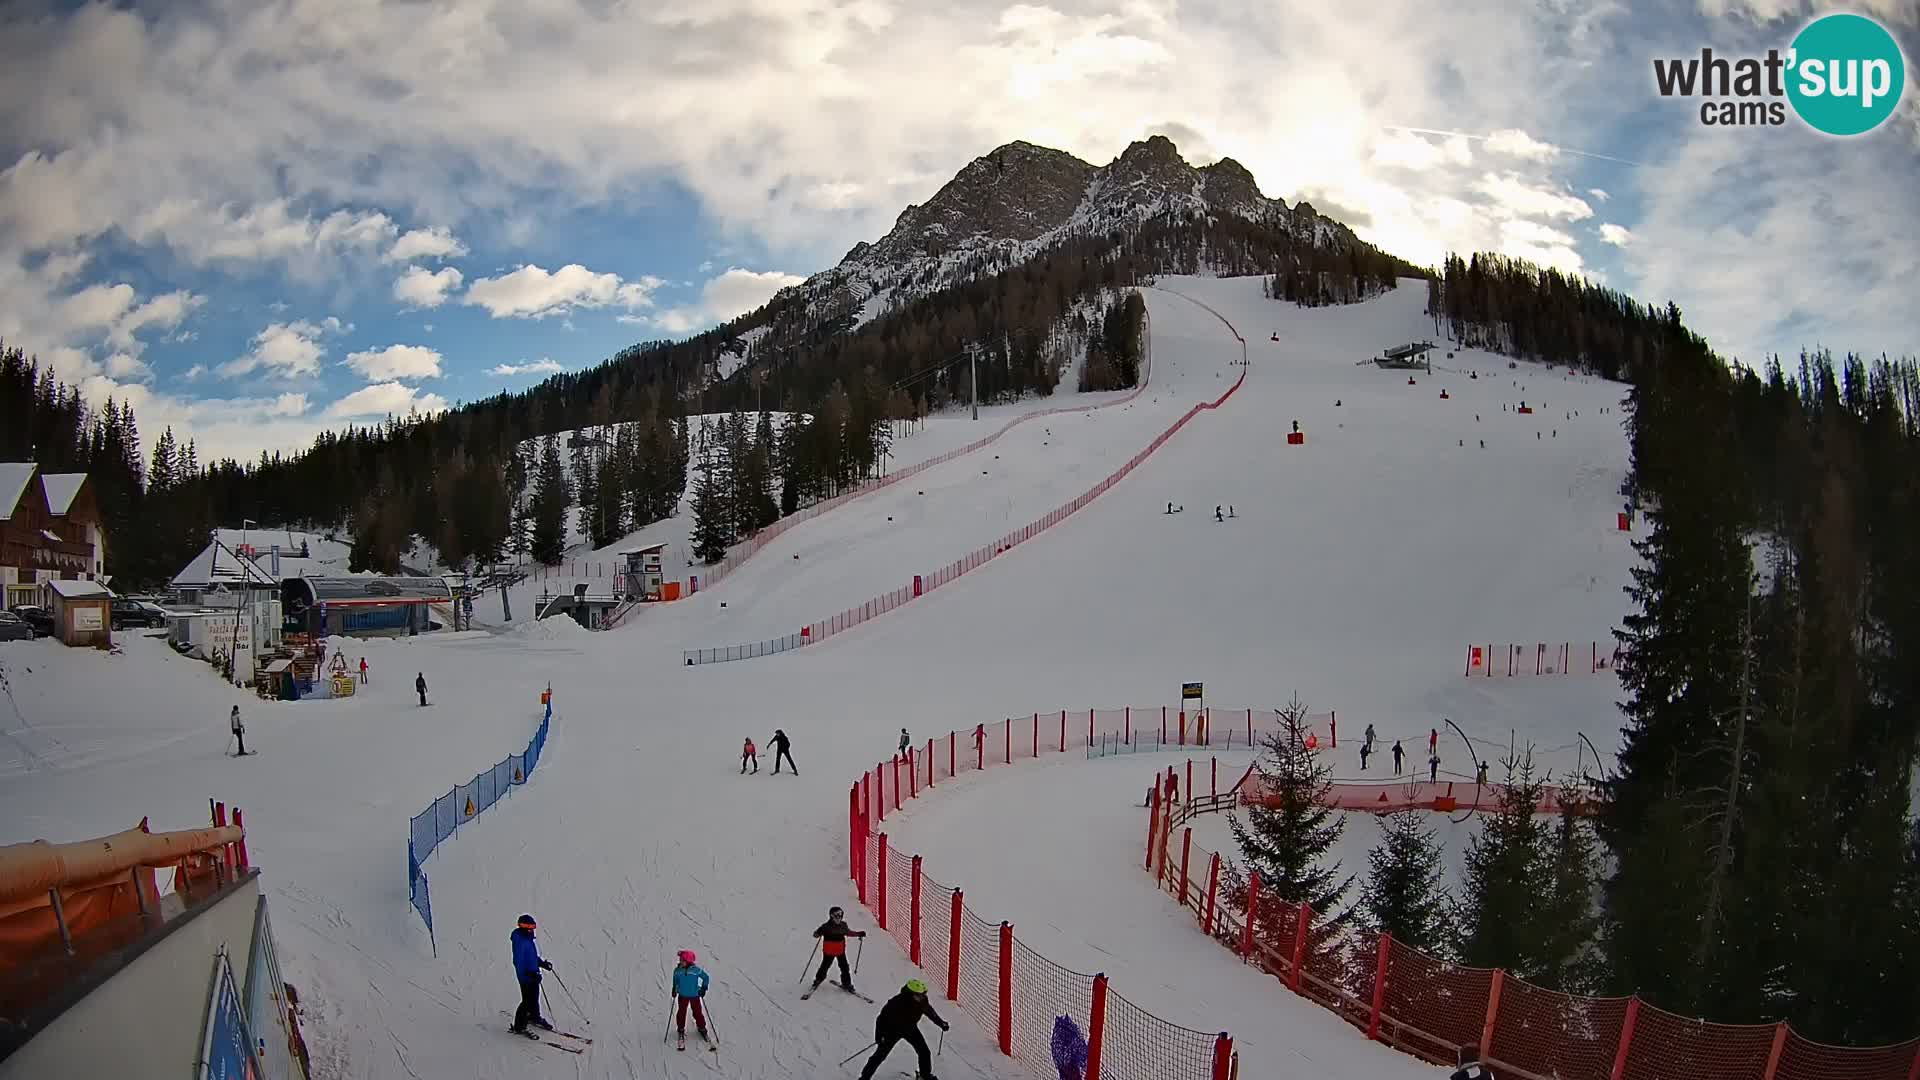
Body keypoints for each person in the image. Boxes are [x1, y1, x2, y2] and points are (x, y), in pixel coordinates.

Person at [857, 979, 949, 1080]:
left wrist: (940, 1023)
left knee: (924, 1052)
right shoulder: (896, 1003)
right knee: (880, 1056)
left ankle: (925, 1075)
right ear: (911, 994)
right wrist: (879, 1036)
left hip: (910, 1029)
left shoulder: (922, 1001)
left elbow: (929, 1011)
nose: (922, 997)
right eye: (919, 995)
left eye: (923, 994)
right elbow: (880, 1019)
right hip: (892, 1031)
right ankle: (864, 1077)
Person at [509, 914, 554, 1036]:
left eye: (532, 926)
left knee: (534, 998)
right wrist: (530, 974)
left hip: (533, 974)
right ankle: (519, 1027)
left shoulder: (528, 940)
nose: (531, 929)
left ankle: (534, 1017)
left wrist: (541, 963)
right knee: (527, 1001)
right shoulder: (520, 941)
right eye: (528, 926)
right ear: (522, 926)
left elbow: (531, 957)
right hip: (526, 977)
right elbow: (518, 962)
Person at [810, 905, 867, 992]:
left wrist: (859, 934)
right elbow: (816, 934)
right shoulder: (826, 927)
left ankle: (847, 984)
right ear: (831, 916)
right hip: (829, 952)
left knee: (844, 968)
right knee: (825, 966)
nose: (838, 917)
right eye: (836, 915)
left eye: (840, 915)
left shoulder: (843, 926)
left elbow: (849, 933)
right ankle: (818, 979)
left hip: (840, 951)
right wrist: (818, 933)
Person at [671, 950, 711, 1045]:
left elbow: (706, 977)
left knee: (697, 1012)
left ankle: (702, 1028)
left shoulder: (695, 970)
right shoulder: (677, 971)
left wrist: (703, 988)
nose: (680, 961)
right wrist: (674, 989)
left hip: (694, 995)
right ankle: (681, 1029)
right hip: (682, 995)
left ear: (688, 961)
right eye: (680, 959)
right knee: (681, 1012)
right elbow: (675, 981)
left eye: (682, 960)